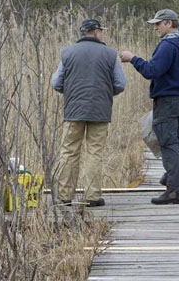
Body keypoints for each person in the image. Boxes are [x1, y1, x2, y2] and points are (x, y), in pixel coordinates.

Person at [120, 9, 179, 205]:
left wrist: (133, 58)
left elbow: (152, 70)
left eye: (158, 24)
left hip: (167, 102)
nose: (155, 27)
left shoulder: (168, 45)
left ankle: (174, 191)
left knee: (169, 145)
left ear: (169, 23)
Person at [51, 18, 126, 207]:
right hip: (100, 110)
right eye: (101, 31)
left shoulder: (67, 53)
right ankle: (92, 196)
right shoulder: (110, 54)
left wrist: (70, 93)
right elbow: (120, 84)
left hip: (73, 110)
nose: (102, 34)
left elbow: (56, 83)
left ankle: (64, 196)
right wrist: (106, 93)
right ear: (96, 32)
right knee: (94, 153)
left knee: (68, 152)